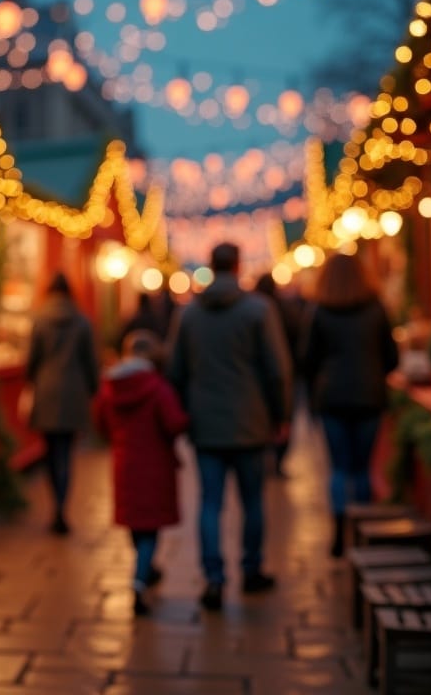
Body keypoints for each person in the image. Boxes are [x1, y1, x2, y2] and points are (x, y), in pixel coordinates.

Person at [167, 242, 291, 611]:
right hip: (250, 421)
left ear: (211, 265)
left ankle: (213, 578)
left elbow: (175, 370)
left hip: (205, 423)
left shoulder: (189, 315)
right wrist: (281, 415)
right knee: (252, 500)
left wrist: (182, 413)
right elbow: (277, 369)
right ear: (238, 266)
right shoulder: (258, 310)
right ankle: (251, 569)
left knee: (210, 502)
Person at [301, 251, 399, 558]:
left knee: (339, 468)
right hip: (368, 396)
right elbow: (392, 358)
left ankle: (339, 531)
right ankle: (363, 529)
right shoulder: (376, 308)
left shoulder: (320, 311)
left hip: (332, 398)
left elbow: (308, 360)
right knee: (362, 468)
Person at [95, 329, 189, 616]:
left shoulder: (110, 387)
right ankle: (139, 581)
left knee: (136, 524)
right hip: (155, 465)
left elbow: (100, 421)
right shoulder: (158, 387)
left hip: (124, 463)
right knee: (150, 528)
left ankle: (147, 567)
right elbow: (174, 423)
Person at [25, 271, 99, 535]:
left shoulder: (40, 320)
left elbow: (31, 359)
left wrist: (31, 382)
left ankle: (55, 502)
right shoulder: (82, 322)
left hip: (46, 390)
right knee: (66, 453)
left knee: (49, 451)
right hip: (73, 392)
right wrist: (92, 389)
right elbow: (91, 361)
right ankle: (61, 506)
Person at [253, 273, 304, 476]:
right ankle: (277, 459)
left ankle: (267, 457)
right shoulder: (283, 310)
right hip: (286, 372)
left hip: (260, 377)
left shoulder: (256, 311)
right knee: (284, 418)